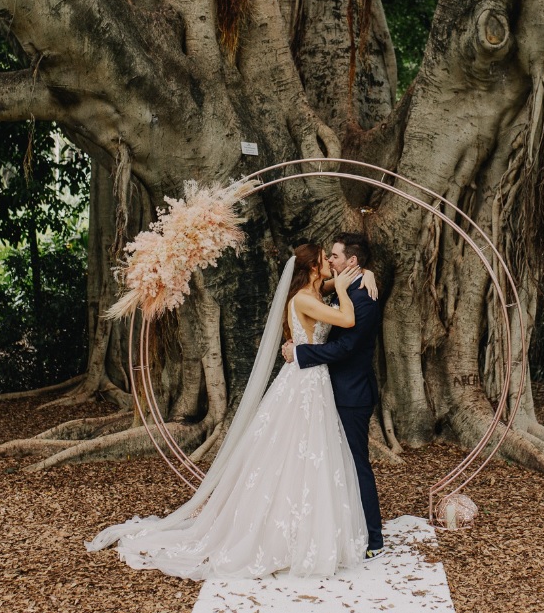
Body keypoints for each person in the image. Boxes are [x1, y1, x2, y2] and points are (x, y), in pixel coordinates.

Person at [86, 244, 374, 579]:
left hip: (313, 381)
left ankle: (309, 527)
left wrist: (366, 273)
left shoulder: (311, 290)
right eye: (326, 260)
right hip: (305, 384)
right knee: (295, 451)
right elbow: (348, 318)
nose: (331, 265)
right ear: (313, 267)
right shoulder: (305, 298)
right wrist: (340, 288)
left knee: (310, 453)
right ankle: (284, 534)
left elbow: (339, 285)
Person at [283, 232, 384, 558]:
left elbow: (346, 346)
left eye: (335, 257)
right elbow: (320, 291)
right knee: (317, 461)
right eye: (326, 258)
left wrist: (300, 355)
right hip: (322, 390)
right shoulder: (330, 287)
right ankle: (323, 528)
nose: (330, 261)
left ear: (351, 262)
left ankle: (373, 539)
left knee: (356, 464)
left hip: (351, 393)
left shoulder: (365, 297)